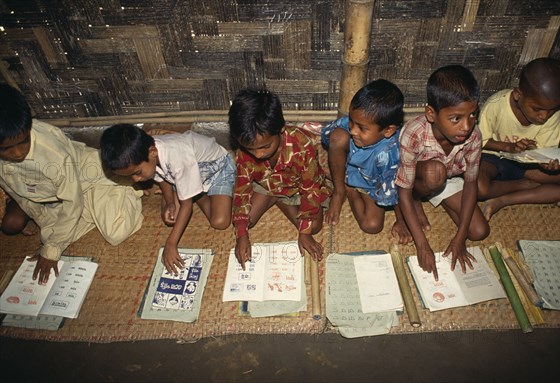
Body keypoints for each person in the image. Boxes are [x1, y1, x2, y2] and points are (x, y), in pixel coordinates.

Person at [0, 84, 144, 284]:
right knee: (49, 235)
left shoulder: (52, 153)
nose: (17, 153)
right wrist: (43, 225)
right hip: (55, 195)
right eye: (6, 149)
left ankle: (124, 186)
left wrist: (51, 250)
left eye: (23, 142)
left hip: (90, 179)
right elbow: (18, 194)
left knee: (115, 232)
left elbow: (72, 200)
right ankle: (91, 212)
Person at [100, 124, 235, 275]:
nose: (136, 179)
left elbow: (187, 206)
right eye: (130, 176)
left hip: (218, 169)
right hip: (185, 172)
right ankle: (190, 189)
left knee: (220, 222)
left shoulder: (176, 156)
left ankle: (193, 192)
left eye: (137, 173)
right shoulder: (151, 153)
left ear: (152, 152)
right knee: (171, 217)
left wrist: (170, 244)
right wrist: (170, 201)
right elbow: (159, 176)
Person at [395, 65, 490, 281]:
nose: (467, 126)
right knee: (434, 173)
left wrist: (460, 237)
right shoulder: (414, 133)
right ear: (431, 114)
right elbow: (402, 191)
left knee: (478, 232)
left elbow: (471, 184)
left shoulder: (473, 136)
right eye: (456, 118)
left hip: (448, 180)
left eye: (473, 114)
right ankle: (419, 201)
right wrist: (422, 245)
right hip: (420, 180)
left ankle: (438, 197)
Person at [229, 88, 331, 270]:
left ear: (281, 130)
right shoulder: (244, 153)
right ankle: (276, 197)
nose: (258, 154)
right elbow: (242, 191)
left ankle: (279, 199)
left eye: (265, 146)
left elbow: (310, 188)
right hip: (266, 187)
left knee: (314, 227)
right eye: (250, 149)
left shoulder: (302, 144)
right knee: (244, 221)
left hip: (297, 189)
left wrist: (304, 232)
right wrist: (242, 234)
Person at [477, 57, 560, 219]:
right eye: (537, 109)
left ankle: (504, 200)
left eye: (552, 109)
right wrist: (509, 147)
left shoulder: (551, 114)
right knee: (479, 188)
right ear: (518, 95)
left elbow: (544, 152)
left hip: (528, 165)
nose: (544, 116)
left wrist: (548, 165)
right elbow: (480, 142)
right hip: (494, 157)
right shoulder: (496, 105)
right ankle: (524, 186)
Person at [321, 79, 409, 240]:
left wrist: (401, 220)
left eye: (361, 128)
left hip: (372, 185)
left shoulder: (390, 155)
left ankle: (350, 189)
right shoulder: (353, 124)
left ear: (388, 130)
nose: (353, 130)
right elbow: (328, 138)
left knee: (372, 226)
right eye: (352, 122)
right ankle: (340, 190)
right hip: (350, 167)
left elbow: (397, 187)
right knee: (338, 137)